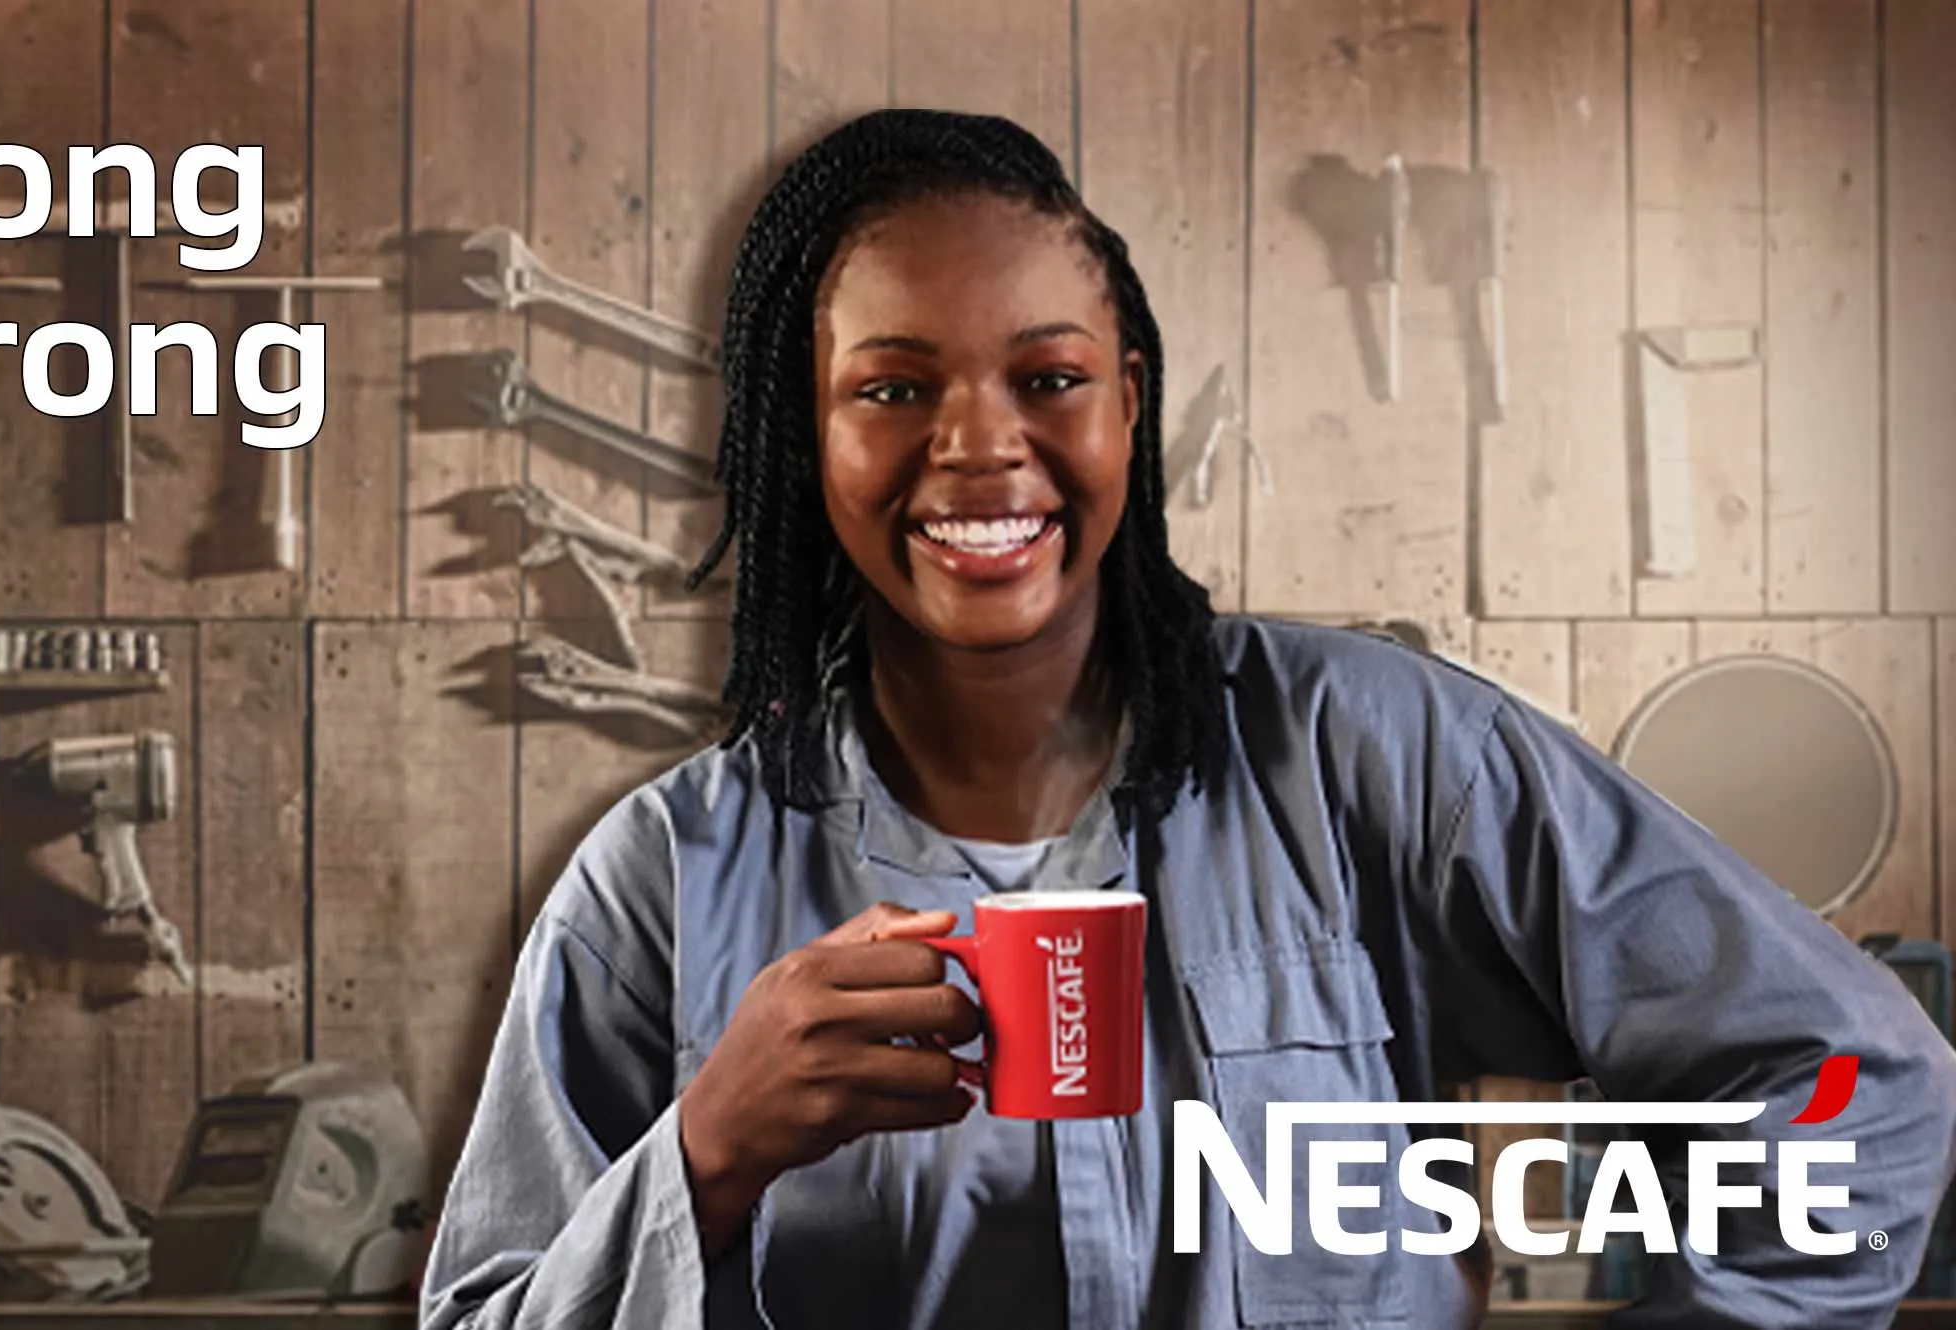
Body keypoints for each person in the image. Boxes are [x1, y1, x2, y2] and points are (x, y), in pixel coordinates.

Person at [418, 108, 1956, 1329]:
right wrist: (708, 1151)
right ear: (798, 433)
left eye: (1050, 376)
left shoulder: (1382, 762)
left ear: (1129, 406)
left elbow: (1853, 1081)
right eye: (892, 389)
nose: (980, 447)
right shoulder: (662, 885)